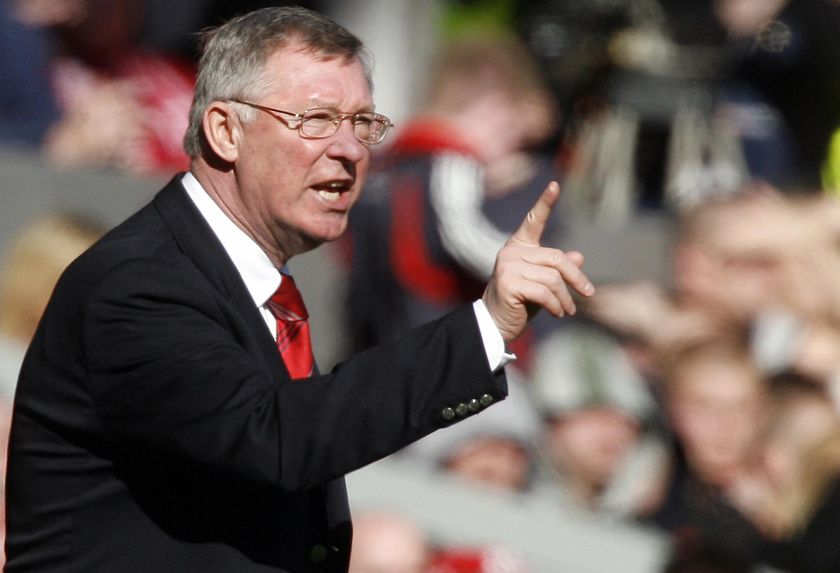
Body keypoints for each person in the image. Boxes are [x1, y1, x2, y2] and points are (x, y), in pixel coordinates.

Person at [4, 6, 594, 573]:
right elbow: (277, 439)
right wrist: (485, 326)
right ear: (225, 131)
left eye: (363, 124)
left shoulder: (241, 278)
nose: (349, 149)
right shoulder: (139, 284)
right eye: (316, 120)